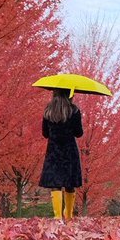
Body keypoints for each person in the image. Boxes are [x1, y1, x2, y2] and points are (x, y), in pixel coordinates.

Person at [39, 87, 83, 219]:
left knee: (55, 184)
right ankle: (68, 216)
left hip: (53, 151)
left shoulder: (49, 111)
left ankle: (57, 217)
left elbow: (45, 133)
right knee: (70, 184)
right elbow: (79, 133)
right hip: (69, 151)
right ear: (69, 94)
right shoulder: (74, 110)